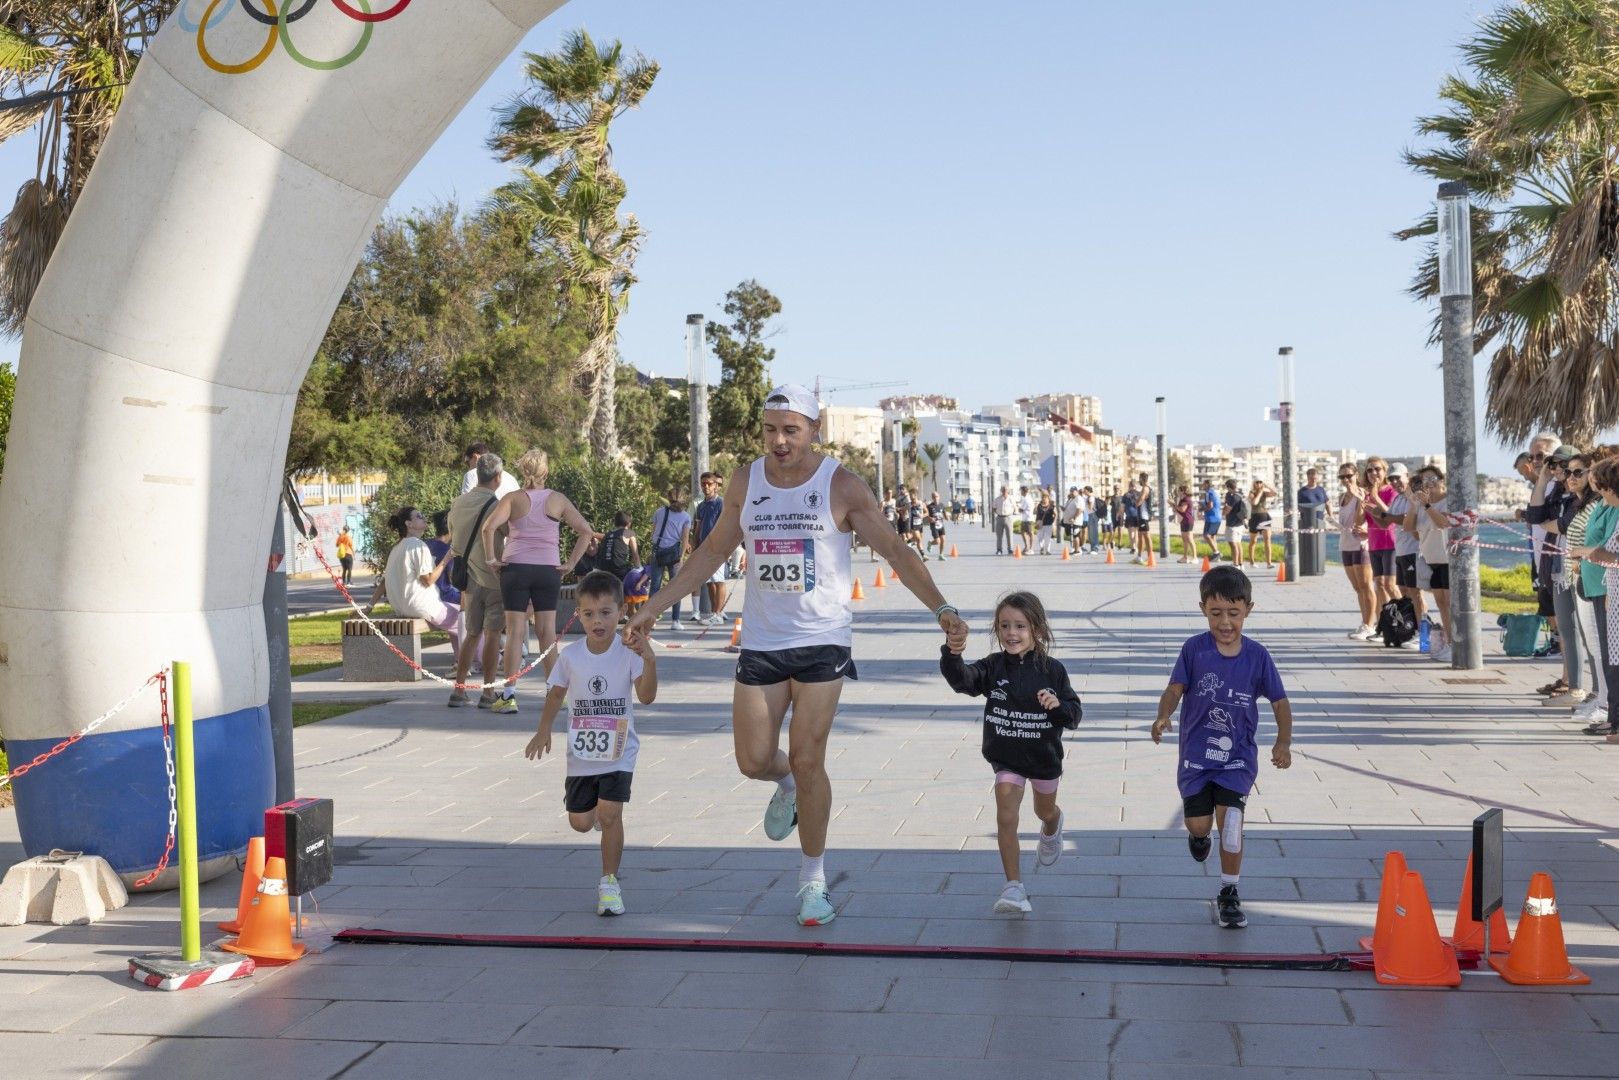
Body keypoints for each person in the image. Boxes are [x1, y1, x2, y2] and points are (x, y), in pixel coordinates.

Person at [624, 384, 968, 927]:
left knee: (810, 759)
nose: (779, 441)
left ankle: (813, 882)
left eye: (791, 430)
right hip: (762, 640)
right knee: (753, 760)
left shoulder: (842, 486)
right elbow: (713, 550)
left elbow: (895, 550)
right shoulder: (747, 481)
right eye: (770, 430)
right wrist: (653, 607)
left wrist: (942, 607)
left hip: (822, 640)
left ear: (814, 431)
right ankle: (783, 784)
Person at [1150, 565, 1293, 929]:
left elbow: (1279, 701)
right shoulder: (1194, 650)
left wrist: (1283, 741)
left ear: (1248, 609)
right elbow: (1174, 689)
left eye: (1234, 613)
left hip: (1238, 759)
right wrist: (1163, 715)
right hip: (1196, 758)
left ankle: (1229, 892)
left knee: (1231, 824)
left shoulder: (1258, 657)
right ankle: (1200, 839)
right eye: (1216, 613)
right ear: (1203, 610)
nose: (1225, 622)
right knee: (1199, 824)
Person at [940, 590, 1081, 914]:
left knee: (1043, 811)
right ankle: (1014, 887)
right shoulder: (993, 666)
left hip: (1044, 757)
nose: (1011, 633)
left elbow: (1073, 715)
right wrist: (952, 653)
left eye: (1020, 626)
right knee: (1006, 815)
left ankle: (1053, 825)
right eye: (1004, 626)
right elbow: (963, 681)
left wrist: (1058, 706)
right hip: (1006, 758)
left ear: (1037, 630)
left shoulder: (1053, 670)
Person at [526, 570, 657, 916]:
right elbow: (556, 694)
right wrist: (543, 730)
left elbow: (646, 697)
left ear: (621, 611)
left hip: (619, 751)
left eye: (605, 613)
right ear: (578, 615)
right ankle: (597, 816)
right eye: (588, 614)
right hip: (582, 755)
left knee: (611, 814)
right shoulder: (570, 656)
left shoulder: (629, 652)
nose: (597, 621)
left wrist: (649, 659)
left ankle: (609, 884)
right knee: (580, 823)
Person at [482, 448, 595, 712]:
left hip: (516, 569)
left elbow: (488, 528)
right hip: (548, 570)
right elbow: (586, 532)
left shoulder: (512, 499)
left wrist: (491, 559)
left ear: (523, 470)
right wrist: (569, 564)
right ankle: (554, 692)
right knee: (547, 632)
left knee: (515, 633)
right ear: (546, 471)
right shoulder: (557, 499)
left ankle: (508, 696)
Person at [447, 452, 507, 708]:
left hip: (468, 579)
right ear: (498, 477)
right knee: (493, 634)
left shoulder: (457, 504)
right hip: (494, 579)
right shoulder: (497, 506)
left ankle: (459, 690)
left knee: (471, 634)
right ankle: (488, 692)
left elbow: (454, 537)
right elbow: (509, 533)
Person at [1567, 455, 1619, 742]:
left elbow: (1609, 553)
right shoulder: (1602, 505)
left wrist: (1591, 553)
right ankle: (1613, 717)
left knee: (1614, 659)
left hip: (1610, 591)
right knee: (1611, 658)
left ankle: (1614, 719)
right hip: (1606, 590)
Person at [1528, 447, 1585, 701]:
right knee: (1565, 627)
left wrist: (1550, 525)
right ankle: (1571, 683)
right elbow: (1535, 515)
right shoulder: (1556, 491)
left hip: (1573, 565)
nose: (1560, 471)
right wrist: (1543, 479)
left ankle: (1579, 686)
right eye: (1557, 466)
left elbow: (1565, 524)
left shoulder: (1580, 494)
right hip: (1554, 565)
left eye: (1566, 466)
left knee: (1579, 630)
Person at [372, 506, 461, 656]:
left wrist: (369, 606)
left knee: (457, 619)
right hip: (423, 606)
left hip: (402, 608)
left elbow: (384, 582)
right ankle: (493, 660)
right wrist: (448, 557)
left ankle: (461, 663)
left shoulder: (397, 547)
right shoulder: (417, 545)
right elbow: (428, 580)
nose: (424, 518)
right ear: (408, 524)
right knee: (468, 621)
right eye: (419, 516)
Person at [1406, 466, 1454, 663]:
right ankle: (1449, 642)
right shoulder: (1421, 503)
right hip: (1431, 560)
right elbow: (1408, 527)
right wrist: (1413, 504)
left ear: (1442, 480)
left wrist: (1427, 506)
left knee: (1450, 603)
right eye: (1425, 481)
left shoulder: (1448, 501)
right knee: (1441, 602)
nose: (1429, 484)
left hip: (1448, 559)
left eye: (1433, 479)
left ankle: (1457, 644)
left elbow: (1444, 523)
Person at [1387, 464, 1426, 650]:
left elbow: (1404, 519)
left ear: (1407, 476)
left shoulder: (1413, 497)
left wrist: (1385, 515)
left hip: (1414, 551)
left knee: (1416, 593)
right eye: (1391, 479)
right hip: (1401, 551)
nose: (1394, 482)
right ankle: (1414, 626)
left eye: (1397, 478)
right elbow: (1387, 519)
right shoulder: (1396, 499)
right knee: (1405, 592)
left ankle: (1422, 633)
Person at [1338, 464, 1377, 639]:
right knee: (1357, 587)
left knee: (1366, 585)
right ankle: (1365, 623)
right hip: (1345, 544)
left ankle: (1371, 624)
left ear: (1356, 475)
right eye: (1342, 477)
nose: (1346, 480)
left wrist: (1360, 500)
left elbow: (1361, 520)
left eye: (1349, 476)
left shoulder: (1362, 493)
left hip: (1360, 545)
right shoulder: (1342, 497)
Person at [1358, 457, 1400, 612]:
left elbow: (1390, 515)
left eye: (1377, 469)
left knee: (1390, 585)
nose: (1373, 473)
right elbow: (1360, 520)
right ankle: (1389, 621)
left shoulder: (1391, 491)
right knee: (1380, 584)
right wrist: (1361, 500)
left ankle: (1408, 618)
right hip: (1374, 545)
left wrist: (1375, 497)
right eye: (1369, 470)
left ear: (1385, 471)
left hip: (1391, 543)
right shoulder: (1366, 493)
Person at [647, 491, 693, 631]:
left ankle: (651, 620)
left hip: (658, 551)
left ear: (668, 499)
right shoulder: (686, 516)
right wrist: (681, 556)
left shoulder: (659, 512)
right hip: (674, 554)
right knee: (675, 587)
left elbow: (653, 532)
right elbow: (685, 538)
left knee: (655, 586)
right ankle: (675, 620)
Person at [692, 472, 729, 625]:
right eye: (703, 484)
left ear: (716, 486)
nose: (706, 486)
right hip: (703, 549)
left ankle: (718, 613)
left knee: (719, 580)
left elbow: (726, 526)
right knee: (709, 582)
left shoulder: (721, 503)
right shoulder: (700, 505)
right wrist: (695, 546)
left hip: (718, 548)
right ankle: (715, 612)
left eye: (709, 484)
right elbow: (698, 528)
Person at [595, 510, 640, 583]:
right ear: (628, 523)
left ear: (615, 522)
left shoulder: (608, 534)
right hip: (619, 570)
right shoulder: (629, 533)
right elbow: (635, 556)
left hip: (603, 569)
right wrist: (639, 570)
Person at [1246, 480, 1276, 568]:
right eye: (1257, 482)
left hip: (1264, 517)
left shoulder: (1265, 492)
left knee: (1267, 540)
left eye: (1260, 482)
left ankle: (1269, 563)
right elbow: (1255, 502)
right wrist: (1260, 492)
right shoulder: (1251, 493)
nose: (1259, 484)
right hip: (1254, 518)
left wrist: (1267, 485)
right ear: (1254, 483)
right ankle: (1252, 562)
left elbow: (1274, 493)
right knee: (1253, 541)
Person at [1222, 479, 1247, 570]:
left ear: (1228, 487)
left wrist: (1223, 512)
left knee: (1233, 544)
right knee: (1238, 543)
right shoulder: (1240, 495)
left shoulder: (1233, 498)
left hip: (1232, 524)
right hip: (1240, 523)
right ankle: (1241, 564)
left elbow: (1227, 510)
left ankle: (1235, 564)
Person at [1200, 480, 1223, 563]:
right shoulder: (1215, 492)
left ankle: (1217, 553)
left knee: (1206, 535)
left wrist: (1202, 509)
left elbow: (1210, 505)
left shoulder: (1208, 493)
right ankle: (1216, 556)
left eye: (1203, 484)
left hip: (1211, 518)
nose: (1202, 486)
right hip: (1218, 517)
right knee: (1213, 536)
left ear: (1206, 484)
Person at [1121, 480, 1143, 562]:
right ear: (1136, 486)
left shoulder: (1126, 495)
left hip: (1129, 515)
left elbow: (1122, 506)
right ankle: (1136, 547)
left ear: (1130, 486)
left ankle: (1133, 547)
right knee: (1136, 532)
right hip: (1137, 515)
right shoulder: (1139, 493)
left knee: (1131, 532)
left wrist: (1121, 515)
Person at [1136, 472, 1156, 562]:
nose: (1138, 480)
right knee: (1140, 536)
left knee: (1147, 536)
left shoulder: (1145, 488)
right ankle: (1139, 556)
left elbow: (1141, 500)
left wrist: (1135, 503)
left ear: (1142, 479)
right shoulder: (1145, 488)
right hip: (1141, 515)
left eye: (1139, 478)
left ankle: (1150, 557)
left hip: (1144, 515)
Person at [1176, 485, 1196, 562]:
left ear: (1183, 491)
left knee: (1190, 539)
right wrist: (1173, 504)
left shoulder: (1186, 499)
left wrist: (1175, 505)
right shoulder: (1182, 500)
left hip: (1188, 521)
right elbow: (1178, 509)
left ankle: (1195, 557)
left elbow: (1182, 509)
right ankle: (1185, 557)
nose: (1178, 492)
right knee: (1184, 539)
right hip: (1183, 521)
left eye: (1179, 490)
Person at [926, 491, 948, 560]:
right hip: (934, 526)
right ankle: (930, 543)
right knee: (938, 541)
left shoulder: (942, 505)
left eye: (937, 496)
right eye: (934, 497)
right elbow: (926, 515)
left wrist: (947, 517)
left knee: (943, 540)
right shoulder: (929, 506)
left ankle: (941, 555)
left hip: (941, 525)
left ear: (939, 497)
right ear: (932, 498)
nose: (936, 498)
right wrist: (930, 518)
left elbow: (944, 514)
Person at [1062, 486, 1083, 554]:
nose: (1072, 493)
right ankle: (1075, 549)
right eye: (1071, 491)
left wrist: (1074, 518)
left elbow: (1079, 510)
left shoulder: (1078, 498)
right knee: (1073, 536)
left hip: (1076, 521)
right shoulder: (1072, 499)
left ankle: (1077, 551)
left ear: (1076, 491)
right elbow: (1066, 508)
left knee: (1076, 535)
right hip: (1070, 522)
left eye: (1073, 491)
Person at [1034, 490, 1057, 555]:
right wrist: (1036, 522)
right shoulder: (1039, 506)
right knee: (1040, 538)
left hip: (1049, 523)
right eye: (1042, 497)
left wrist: (1054, 522)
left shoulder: (1051, 506)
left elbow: (1055, 514)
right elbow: (1036, 513)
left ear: (1048, 498)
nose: (1044, 499)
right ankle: (1042, 548)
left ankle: (1047, 550)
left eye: (1045, 497)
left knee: (1048, 538)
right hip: (1040, 524)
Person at [994, 485, 1014, 555]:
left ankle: (1010, 549)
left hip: (1008, 517)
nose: (1004, 491)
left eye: (1005, 490)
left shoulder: (1011, 499)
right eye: (1003, 490)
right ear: (1001, 491)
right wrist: (998, 513)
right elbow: (994, 508)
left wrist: (1011, 513)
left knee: (1009, 534)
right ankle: (999, 549)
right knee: (999, 535)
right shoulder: (997, 499)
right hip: (999, 517)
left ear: (1008, 491)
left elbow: (1014, 507)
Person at [1086, 486, 1105, 555]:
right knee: (1091, 533)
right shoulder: (1088, 498)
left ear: (1088, 491)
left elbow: (1090, 507)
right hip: (1090, 515)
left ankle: (1095, 549)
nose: (1084, 492)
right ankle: (1092, 548)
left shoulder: (1091, 498)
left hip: (1093, 515)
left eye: (1085, 490)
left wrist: (1087, 504)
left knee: (1094, 532)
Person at [1017, 485, 1036, 554]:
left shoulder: (1027, 499)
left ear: (1024, 491)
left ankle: (1031, 548)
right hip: (1024, 518)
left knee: (1030, 533)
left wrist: (1018, 508)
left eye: (1021, 491)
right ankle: (1026, 547)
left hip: (1029, 519)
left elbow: (1021, 509)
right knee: (1023, 532)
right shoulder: (1025, 498)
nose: (1020, 492)